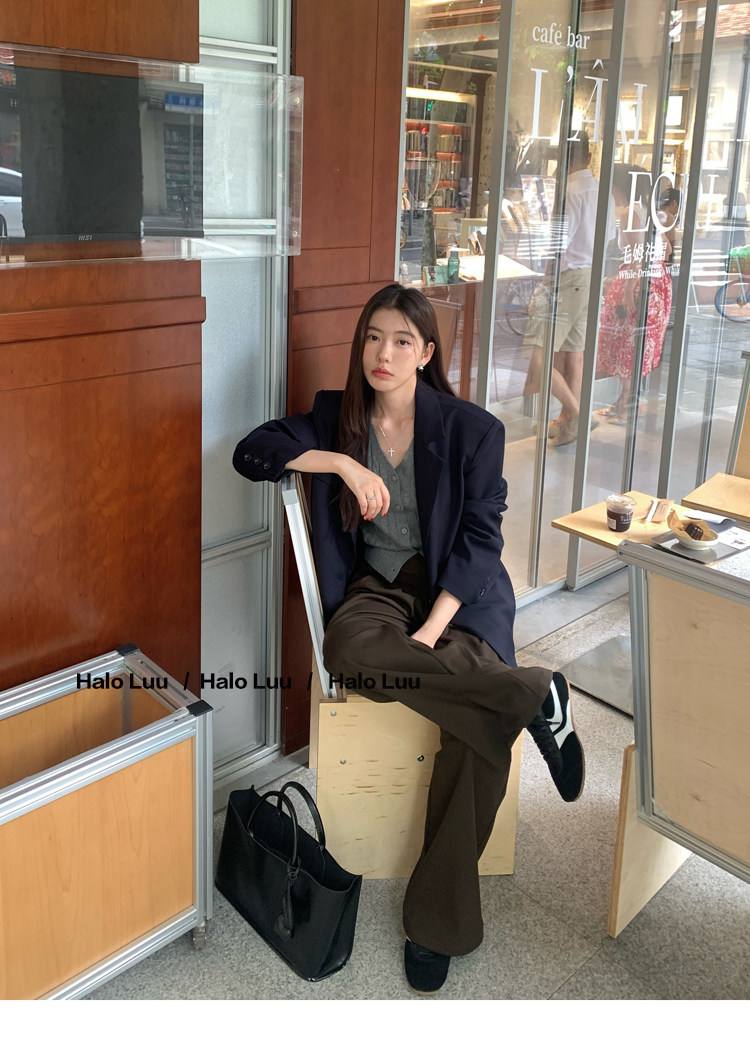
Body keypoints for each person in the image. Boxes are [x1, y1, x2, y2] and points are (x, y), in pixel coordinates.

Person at [233, 284, 584, 994]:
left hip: (458, 595)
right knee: (349, 651)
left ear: (426, 354)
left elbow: (481, 542)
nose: (383, 354)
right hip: (379, 590)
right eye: (373, 337)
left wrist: (430, 630)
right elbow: (253, 452)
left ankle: (437, 927)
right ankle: (529, 697)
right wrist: (340, 463)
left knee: (475, 737)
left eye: (401, 341)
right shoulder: (336, 417)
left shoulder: (471, 430)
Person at [522, 132, 613, 447]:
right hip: (591, 277)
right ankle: (567, 424)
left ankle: (577, 414)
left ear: (562, 160)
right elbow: (608, 239)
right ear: (589, 157)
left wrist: (546, 282)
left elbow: (558, 246)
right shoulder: (603, 191)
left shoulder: (571, 192)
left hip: (568, 278)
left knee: (539, 357)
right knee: (575, 355)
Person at [596, 164, 673, 424]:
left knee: (625, 345)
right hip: (658, 281)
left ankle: (629, 405)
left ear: (616, 187)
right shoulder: (651, 211)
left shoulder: (631, 212)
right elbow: (667, 249)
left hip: (638, 282)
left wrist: (629, 290)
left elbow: (638, 255)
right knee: (638, 345)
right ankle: (624, 400)